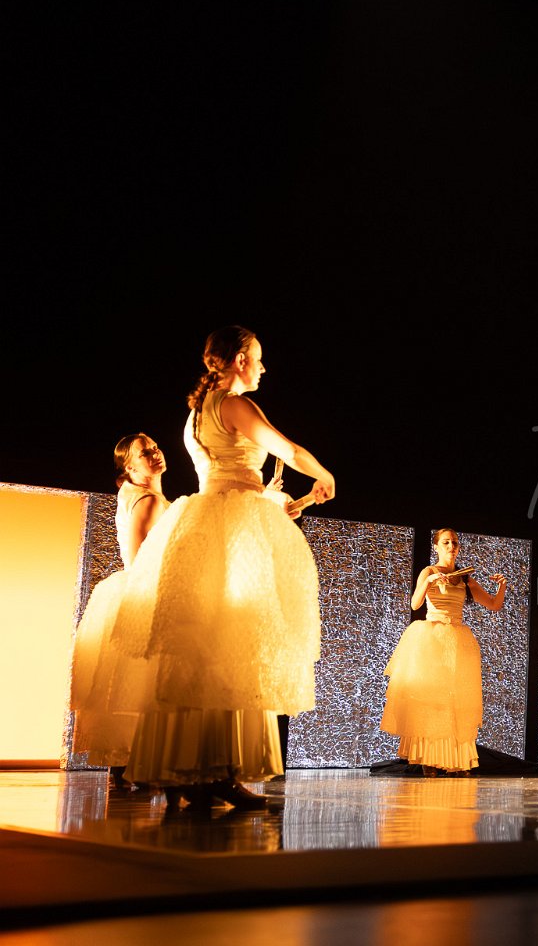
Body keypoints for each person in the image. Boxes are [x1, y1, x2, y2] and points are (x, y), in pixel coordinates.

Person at [113, 325, 335, 812]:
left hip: (206, 521)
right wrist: (324, 473)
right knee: (235, 644)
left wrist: (276, 501)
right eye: (258, 357)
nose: (263, 367)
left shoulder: (194, 415)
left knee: (204, 648)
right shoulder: (233, 404)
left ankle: (192, 768)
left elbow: (228, 475)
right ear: (239, 359)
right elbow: (287, 450)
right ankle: (216, 769)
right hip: (233, 530)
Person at [70, 433, 171, 792]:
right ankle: (135, 764)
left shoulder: (140, 495)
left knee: (135, 682)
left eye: (155, 448)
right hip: (146, 590)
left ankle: (131, 765)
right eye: (145, 453)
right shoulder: (147, 500)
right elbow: (139, 559)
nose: (155, 454)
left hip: (138, 589)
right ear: (129, 466)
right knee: (142, 682)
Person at [380, 528, 508, 776]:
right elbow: (415, 604)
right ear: (436, 546)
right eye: (446, 542)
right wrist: (429, 582)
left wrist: (502, 587)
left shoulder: (464, 577)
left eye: (455, 543)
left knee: (456, 700)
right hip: (432, 637)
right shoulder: (429, 571)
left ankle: (456, 760)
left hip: (457, 639)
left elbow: (493, 604)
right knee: (432, 699)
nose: (451, 546)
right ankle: (430, 758)